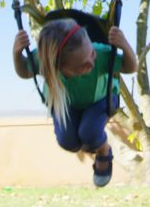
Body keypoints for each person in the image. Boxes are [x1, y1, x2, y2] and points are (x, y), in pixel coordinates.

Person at [13, 17, 138, 187]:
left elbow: (130, 67)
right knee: (67, 142)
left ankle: (103, 150)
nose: (92, 61)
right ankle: (91, 142)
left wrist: (124, 46)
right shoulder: (45, 61)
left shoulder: (100, 54)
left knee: (89, 132)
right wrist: (17, 53)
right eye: (83, 65)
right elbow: (24, 72)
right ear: (59, 68)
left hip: (100, 99)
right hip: (67, 105)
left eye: (91, 53)